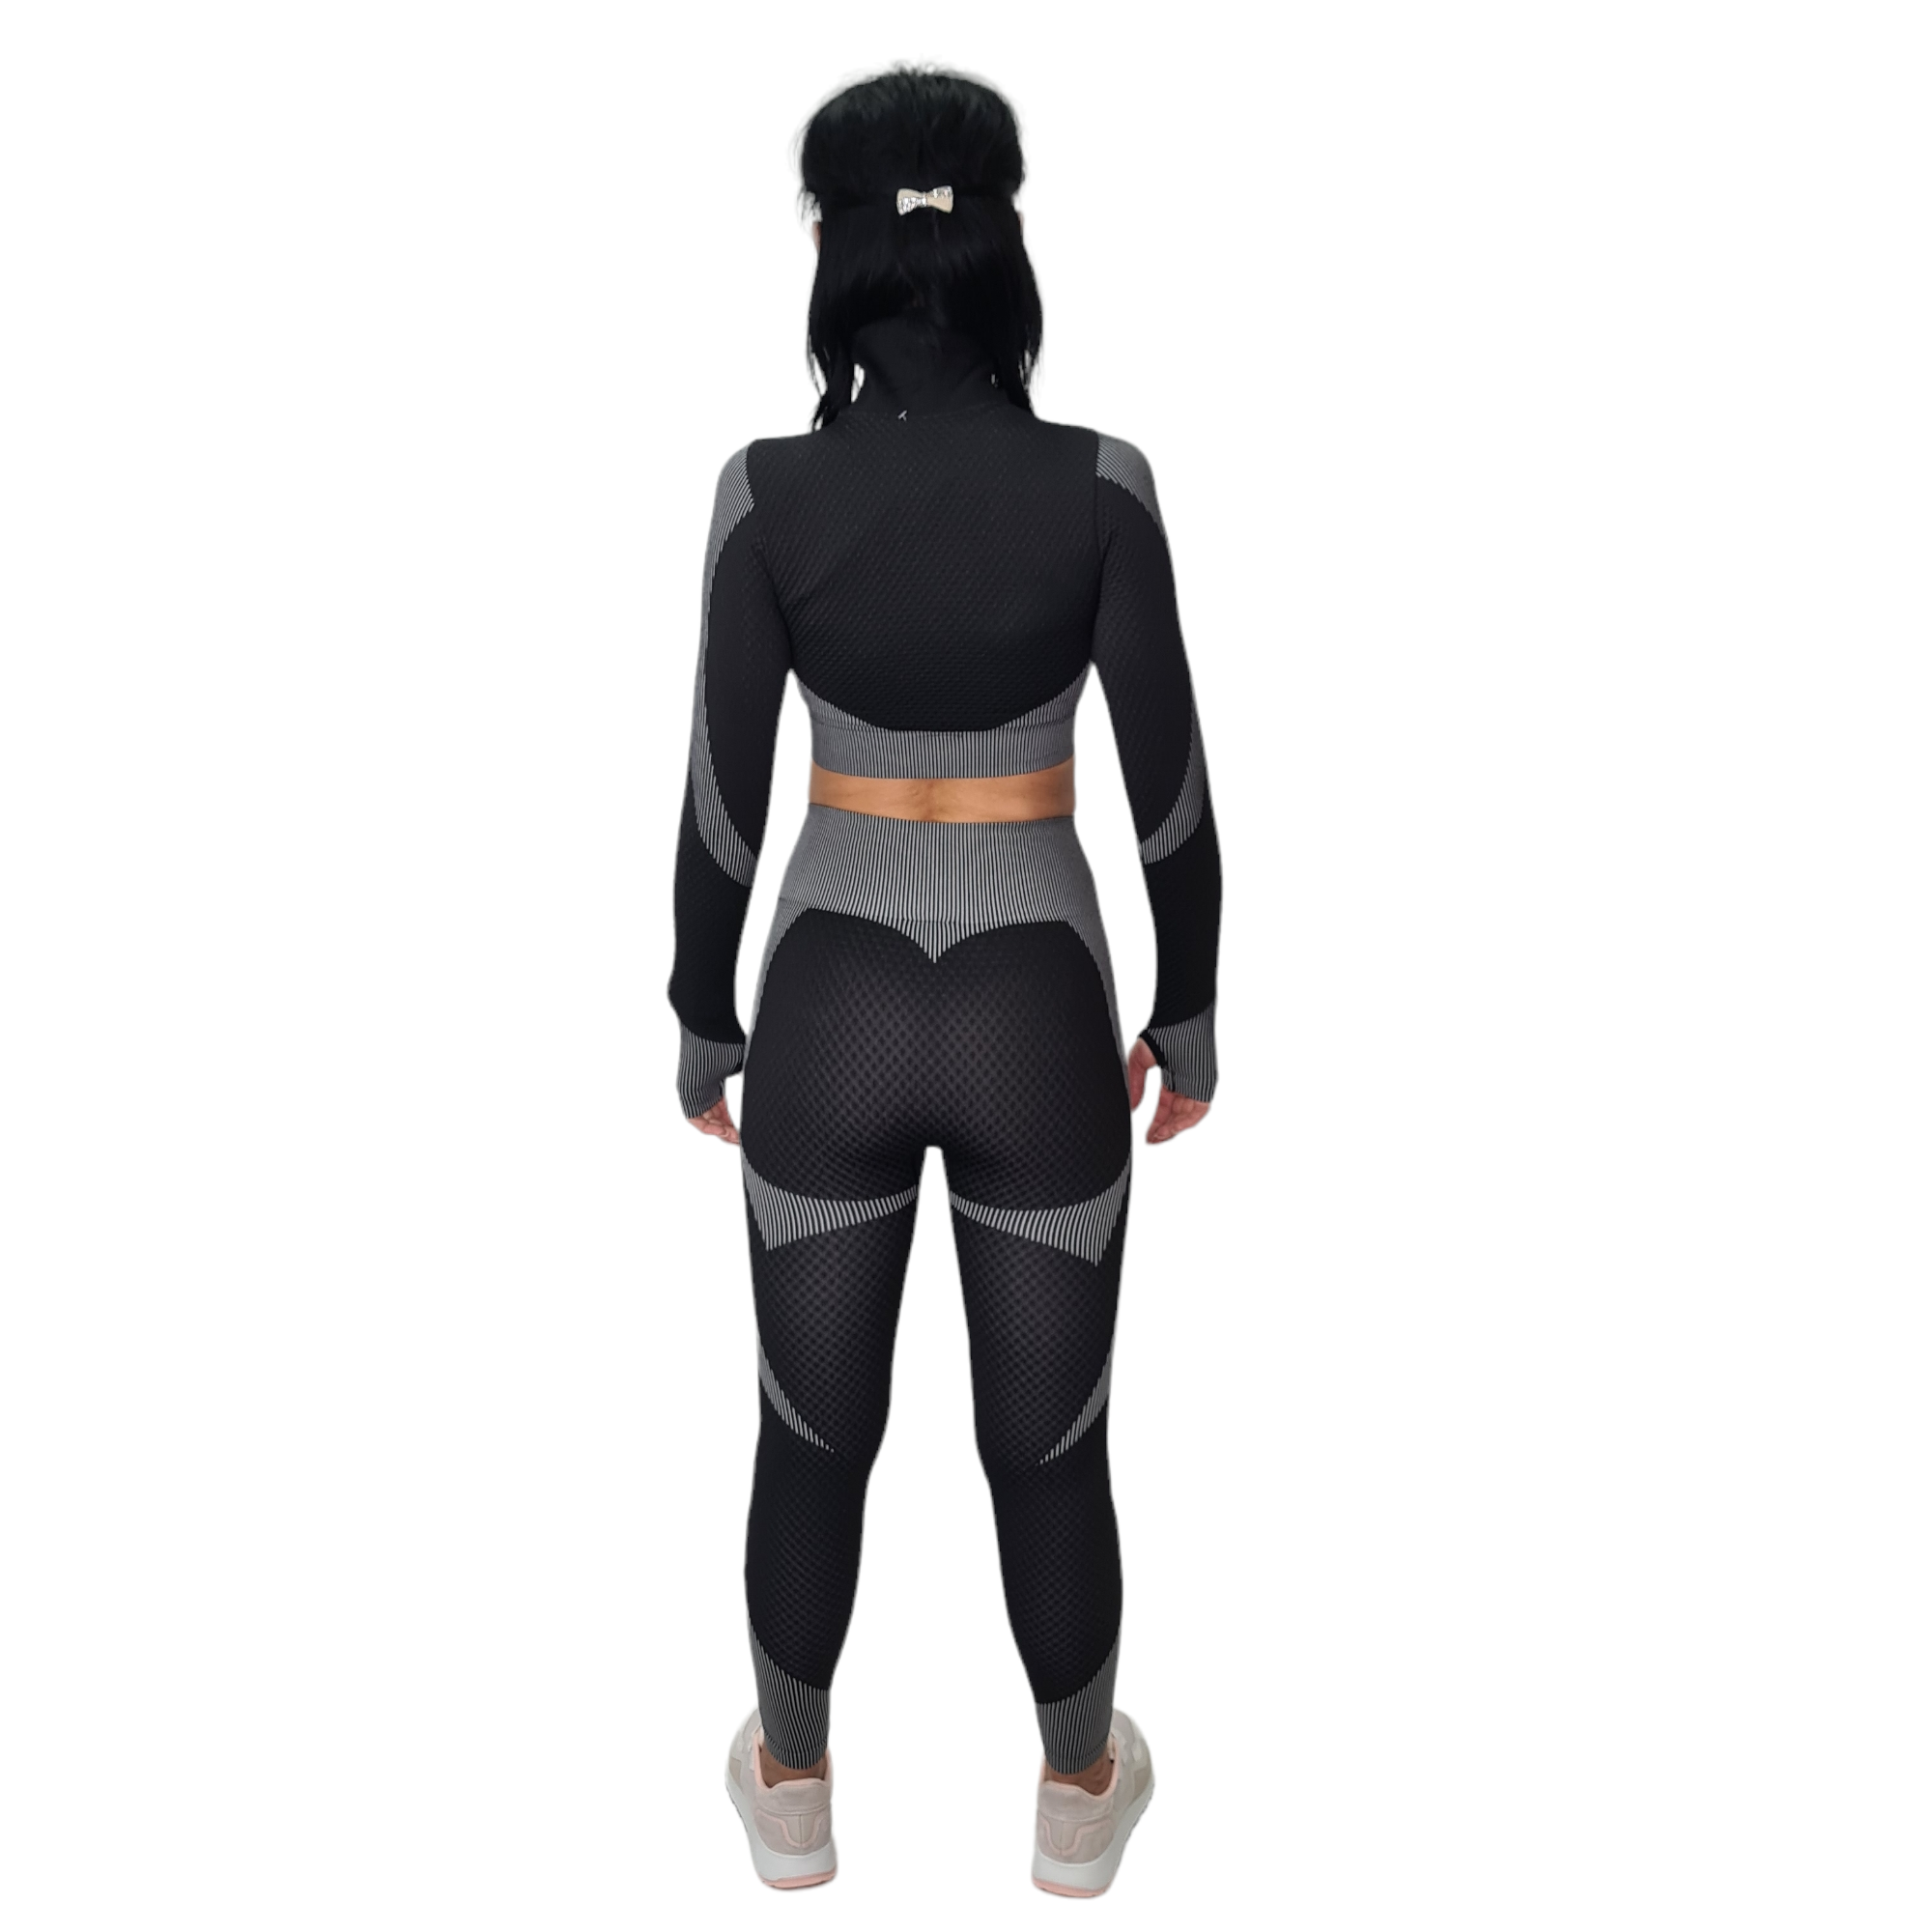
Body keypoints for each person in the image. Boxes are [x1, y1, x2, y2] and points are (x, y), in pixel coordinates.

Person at [668, 65, 1221, 1896]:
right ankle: (1078, 1800)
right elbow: (1171, 799)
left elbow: (726, 800)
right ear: (1001, 246)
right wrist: (1191, 1014)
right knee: (1050, 1450)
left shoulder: (766, 493)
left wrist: (701, 1015)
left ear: (831, 253)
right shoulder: (1102, 487)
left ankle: (792, 1789)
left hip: (828, 1001)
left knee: (810, 1434)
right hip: (1036, 1010)